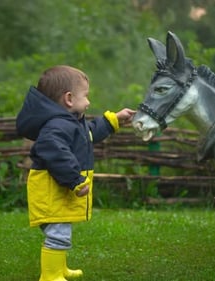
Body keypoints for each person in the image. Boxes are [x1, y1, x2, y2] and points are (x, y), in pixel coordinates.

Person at [16, 65, 135, 281]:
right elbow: (54, 151)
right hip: (53, 191)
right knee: (58, 233)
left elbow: (89, 133)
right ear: (69, 99)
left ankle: (59, 269)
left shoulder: (69, 122)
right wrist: (75, 180)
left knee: (61, 229)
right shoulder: (57, 125)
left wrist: (114, 119)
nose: (89, 102)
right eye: (86, 96)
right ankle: (50, 276)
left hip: (58, 191)